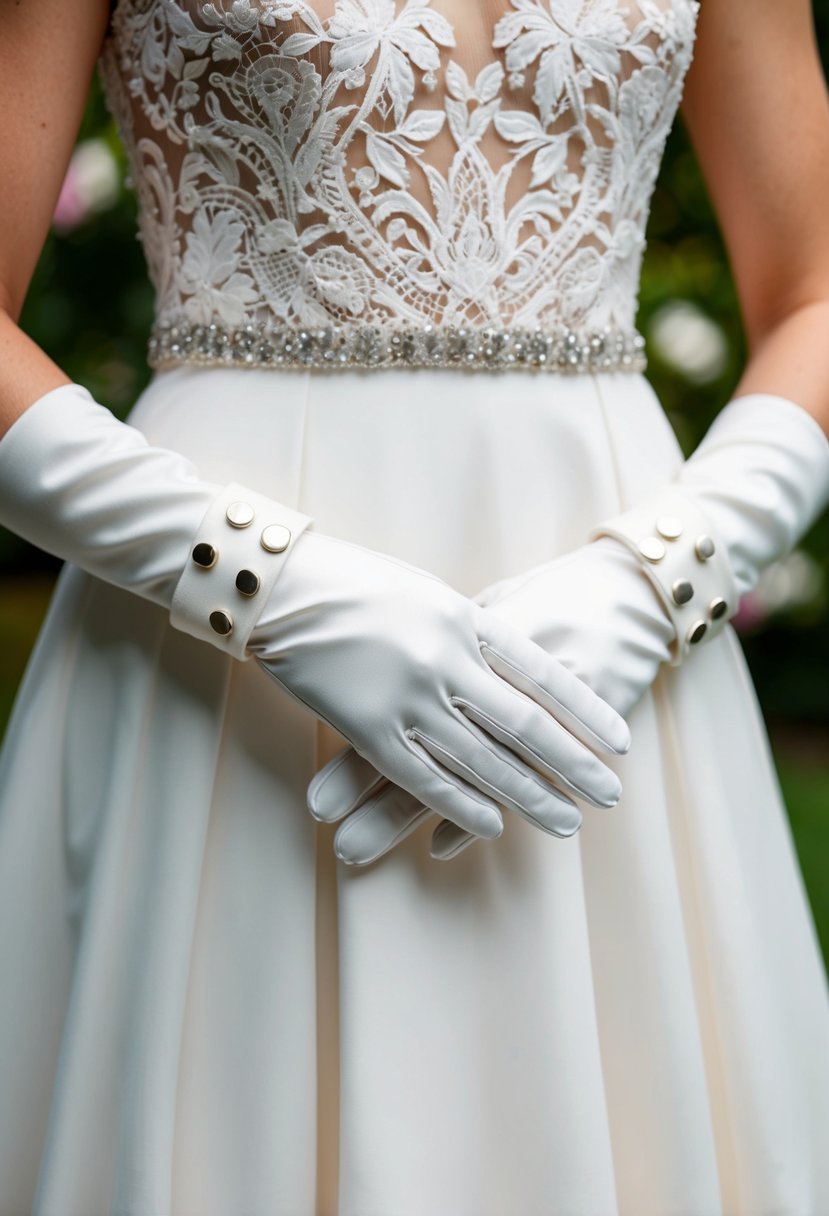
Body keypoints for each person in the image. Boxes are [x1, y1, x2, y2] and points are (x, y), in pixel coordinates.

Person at [1, 0, 828, 1211]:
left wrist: (660, 576)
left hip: (608, 642)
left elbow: (813, 292)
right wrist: (261, 579)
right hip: (214, 657)